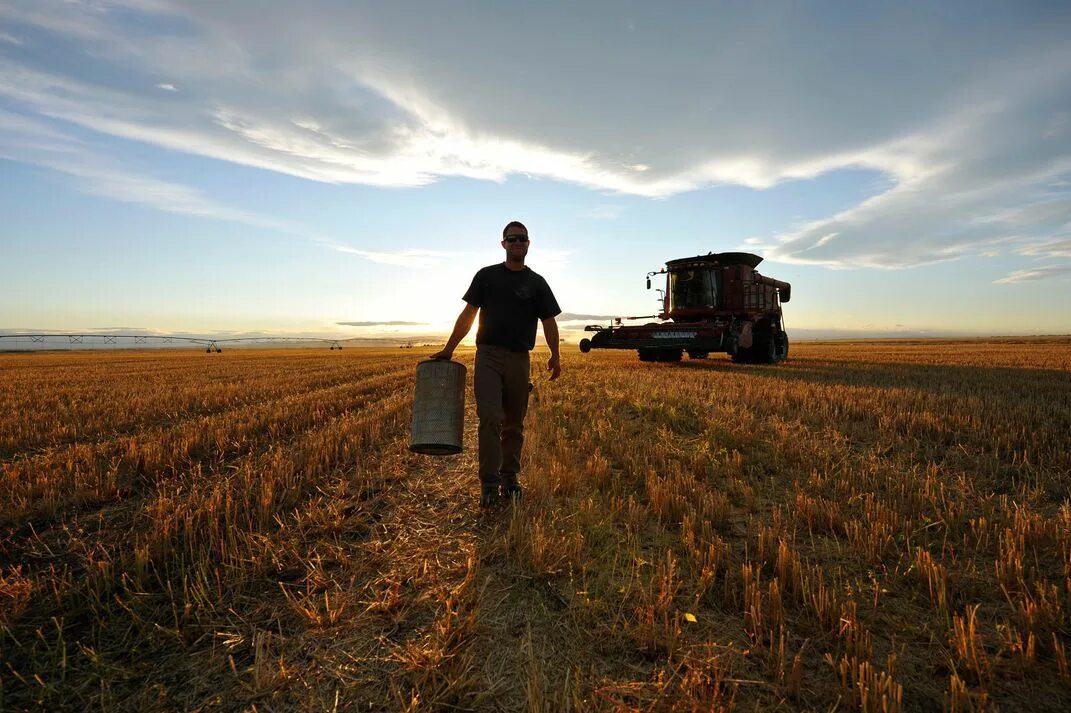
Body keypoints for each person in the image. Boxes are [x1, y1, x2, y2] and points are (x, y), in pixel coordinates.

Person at [431, 220, 562, 506]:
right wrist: (449, 348)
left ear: (529, 244)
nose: (517, 243)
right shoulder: (486, 276)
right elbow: (468, 313)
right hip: (488, 356)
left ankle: (509, 477)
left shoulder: (536, 283)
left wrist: (556, 354)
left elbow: (549, 321)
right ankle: (489, 483)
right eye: (512, 239)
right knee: (490, 418)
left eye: (522, 239)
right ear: (503, 244)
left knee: (514, 423)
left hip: (519, 359)